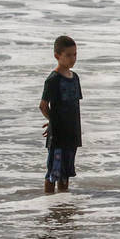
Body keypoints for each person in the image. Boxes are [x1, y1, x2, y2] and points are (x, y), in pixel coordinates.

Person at [40, 35, 82, 193]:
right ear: (57, 56)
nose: (73, 59)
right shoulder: (53, 80)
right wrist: (53, 122)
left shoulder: (75, 78)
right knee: (53, 171)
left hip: (72, 132)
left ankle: (62, 205)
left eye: (75, 54)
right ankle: (49, 203)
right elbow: (43, 106)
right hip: (58, 134)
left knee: (66, 172)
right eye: (69, 55)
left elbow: (74, 106)